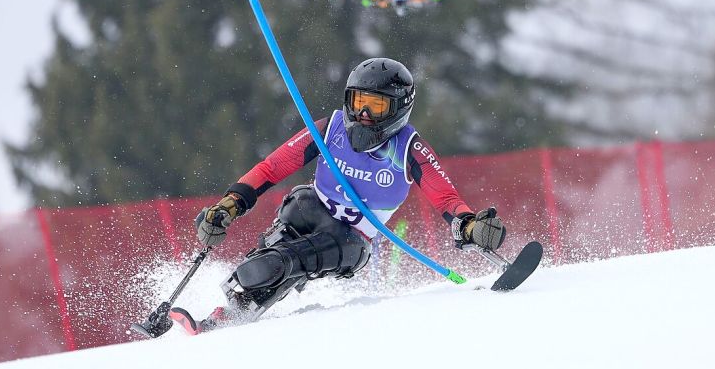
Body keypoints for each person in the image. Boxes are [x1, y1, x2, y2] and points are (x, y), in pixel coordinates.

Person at [167, 57, 507, 334]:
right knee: (276, 242)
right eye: (359, 103)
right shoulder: (330, 128)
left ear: (399, 109)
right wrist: (229, 204)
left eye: (376, 107)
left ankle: (253, 289)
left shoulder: (408, 149)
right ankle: (230, 311)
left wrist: (470, 226)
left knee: (283, 262)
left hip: (351, 240)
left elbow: (446, 198)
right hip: (309, 209)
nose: (363, 116)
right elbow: (273, 167)